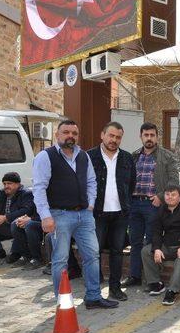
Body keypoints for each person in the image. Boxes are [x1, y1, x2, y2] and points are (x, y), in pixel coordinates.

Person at [32, 120, 118, 309]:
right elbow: (38, 189)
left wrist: (91, 204)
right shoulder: (45, 157)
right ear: (57, 135)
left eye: (74, 133)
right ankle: (63, 302)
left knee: (92, 256)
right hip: (59, 216)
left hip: (84, 216)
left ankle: (93, 297)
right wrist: (45, 216)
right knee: (60, 260)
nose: (70, 136)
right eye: (66, 132)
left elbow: (91, 182)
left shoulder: (83, 156)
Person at [124, 122, 179, 288]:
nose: (149, 138)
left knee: (150, 242)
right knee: (135, 242)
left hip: (152, 205)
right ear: (140, 136)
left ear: (157, 137)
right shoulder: (133, 156)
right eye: (146, 135)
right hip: (134, 204)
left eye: (152, 135)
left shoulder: (167, 156)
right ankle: (134, 276)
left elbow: (174, 181)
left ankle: (152, 278)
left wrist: (161, 196)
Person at [87, 122, 136, 301]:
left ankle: (115, 288)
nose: (114, 140)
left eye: (118, 137)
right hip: (97, 213)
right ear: (103, 135)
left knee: (117, 251)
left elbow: (131, 184)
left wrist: (126, 204)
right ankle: (93, 290)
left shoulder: (127, 158)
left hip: (120, 213)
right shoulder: (89, 156)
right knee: (94, 251)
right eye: (111, 136)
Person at [141, 184, 180, 305]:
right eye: (167, 194)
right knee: (146, 251)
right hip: (167, 245)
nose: (170, 197)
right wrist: (156, 248)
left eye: (173, 195)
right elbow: (157, 231)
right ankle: (156, 284)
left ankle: (172, 290)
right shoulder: (162, 209)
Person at [0, 172, 36, 263]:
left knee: (17, 222)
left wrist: (5, 217)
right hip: (3, 224)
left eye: (9, 183)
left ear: (17, 184)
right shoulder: (1, 193)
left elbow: (26, 211)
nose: (6, 186)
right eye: (4, 184)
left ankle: (16, 252)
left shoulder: (26, 193)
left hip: (18, 224)